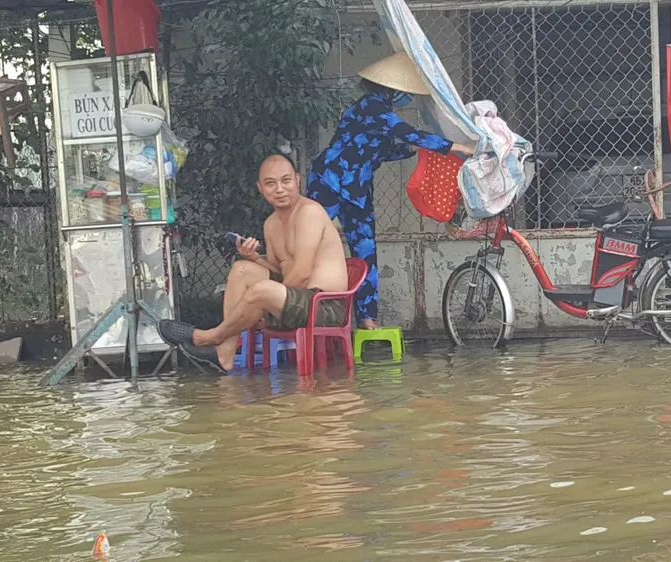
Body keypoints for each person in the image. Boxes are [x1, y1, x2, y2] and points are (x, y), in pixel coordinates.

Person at [307, 51, 475, 331]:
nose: (408, 96)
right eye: (405, 91)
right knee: (307, 241)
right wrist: (457, 147)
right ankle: (291, 305)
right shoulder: (371, 108)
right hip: (330, 180)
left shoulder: (378, 114)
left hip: (357, 187)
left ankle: (367, 318)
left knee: (365, 250)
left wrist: (413, 148)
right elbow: (407, 132)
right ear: (392, 89)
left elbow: (386, 150)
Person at [157, 153, 349, 373]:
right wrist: (254, 259)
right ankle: (225, 354)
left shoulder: (309, 212)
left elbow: (302, 272)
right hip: (294, 299)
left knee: (263, 290)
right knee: (242, 270)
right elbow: (279, 271)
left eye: (286, 181)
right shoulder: (271, 224)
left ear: (297, 180)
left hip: (324, 305)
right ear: (260, 188)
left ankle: (209, 336)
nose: (279, 189)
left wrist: (264, 304)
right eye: (270, 183)